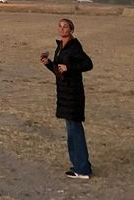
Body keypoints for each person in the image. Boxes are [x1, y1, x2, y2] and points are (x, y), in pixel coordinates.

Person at [40, 18, 93, 180]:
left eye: (65, 27)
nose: (62, 29)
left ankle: (82, 170)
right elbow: (59, 71)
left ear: (71, 30)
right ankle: (78, 165)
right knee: (71, 132)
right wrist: (48, 63)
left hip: (73, 94)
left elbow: (88, 64)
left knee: (75, 131)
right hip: (64, 94)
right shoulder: (60, 47)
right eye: (60, 26)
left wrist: (70, 67)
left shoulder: (75, 46)